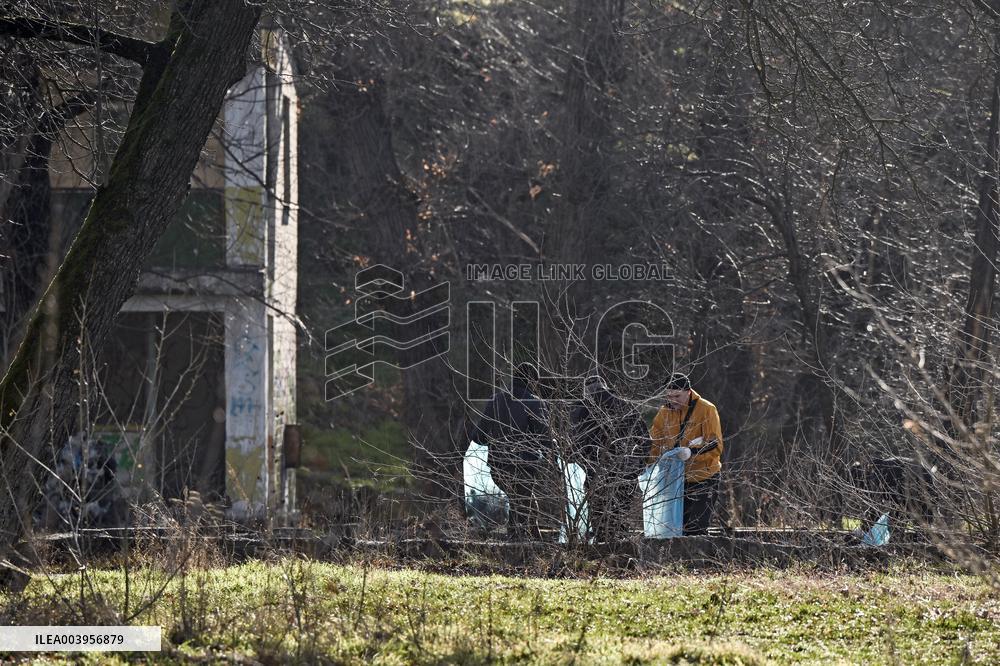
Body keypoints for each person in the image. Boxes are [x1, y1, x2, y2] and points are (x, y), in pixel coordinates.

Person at [471, 362, 550, 539]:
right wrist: (552, 454)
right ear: (532, 381)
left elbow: (478, 437)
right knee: (522, 506)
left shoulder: (495, 400)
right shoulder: (534, 402)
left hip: (498, 468)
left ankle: (532, 541)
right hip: (524, 467)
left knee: (524, 503)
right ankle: (517, 549)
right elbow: (545, 438)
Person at [571, 374, 649, 542]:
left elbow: (575, 445)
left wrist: (577, 462)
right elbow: (644, 440)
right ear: (605, 386)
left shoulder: (581, 410)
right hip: (625, 472)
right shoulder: (625, 405)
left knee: (599, 520)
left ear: (586, 392)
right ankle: (619, 555)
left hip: (594, 474)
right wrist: (638, 466)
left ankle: (602, 554)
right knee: (619, 517)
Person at [649, 373, 724, 535]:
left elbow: (715, 445)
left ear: (688, 392)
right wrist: (646, 464)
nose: (673, 400)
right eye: (669, 396)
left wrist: (692, 452)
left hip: (704, 478)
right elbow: (654, 442)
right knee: (674, 530)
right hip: (675, 480)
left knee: (696, 529)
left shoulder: (707, 409)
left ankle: (696, 559)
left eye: (677, 396)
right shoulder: (664, 412)